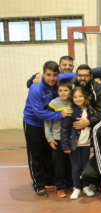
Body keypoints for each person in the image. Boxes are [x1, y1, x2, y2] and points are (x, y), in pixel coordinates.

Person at [23, 61, 73, 197]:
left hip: (51, 124)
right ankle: (39, 185)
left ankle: (50, 180)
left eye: (54, 75)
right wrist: (60, 114)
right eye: (48, 75)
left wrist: (95, 76)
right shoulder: (36, 88)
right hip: (34, 123)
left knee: (50, 154)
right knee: (36, 155)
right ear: (43, 74)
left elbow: (76, 74)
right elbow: (39, 113)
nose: (52, 78)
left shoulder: (60, 80)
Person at [61, 87, 96, 199]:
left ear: (85, 97)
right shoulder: (71, 112)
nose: (78, 99)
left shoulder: (90, 110)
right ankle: (76, 188)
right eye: (75, 97)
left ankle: (86, 186)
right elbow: (64, 129)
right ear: (72, 98)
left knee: (85, 166)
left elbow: (94, 123)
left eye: (80, 96)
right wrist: (65, 145)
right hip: (75, 145)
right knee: (75, 167)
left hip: (86, 144)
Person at [44, 79, 74, 198]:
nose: (63, 93)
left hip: (70, 139)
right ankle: (60, 186)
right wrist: (49, 138)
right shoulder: (53, 104)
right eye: (60, 90)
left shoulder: (74, 102)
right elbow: (47, 122)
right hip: (57, 139)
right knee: (59, 165)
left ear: (70, 91)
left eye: (65, 90)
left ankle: (70, 184)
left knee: (70, 164)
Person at [71, 64, 101, 130]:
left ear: (91, 76)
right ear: (76, 76)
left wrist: (89, 121)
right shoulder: (71, 88)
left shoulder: (99, 89)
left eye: (86, 76)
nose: (82, 78)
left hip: (93, 125)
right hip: (73, 124)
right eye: (80, 75)